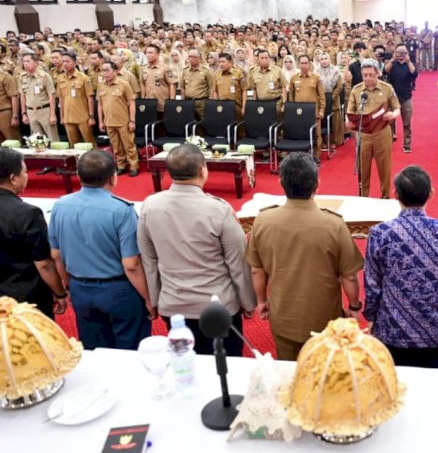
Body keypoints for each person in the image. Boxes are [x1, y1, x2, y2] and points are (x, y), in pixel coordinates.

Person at [137, 144, 256, 356]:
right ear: (203, 170)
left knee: (187, 365)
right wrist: (247, 301)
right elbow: (238, 261)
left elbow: (149, 259)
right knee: (226, 367)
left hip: (173, 304)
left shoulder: (150, 206)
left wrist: (154, 300)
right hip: (218, 306)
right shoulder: (218, 209)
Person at [245, 153, 364, 361]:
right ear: (317, 183)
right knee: (325, 372)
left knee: (289, 372)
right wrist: (354, 307)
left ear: (281, 182)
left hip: (283, 314)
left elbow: (257, 269)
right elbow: (350, 276)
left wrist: (262, 301)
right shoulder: (333, 224)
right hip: (324, 319)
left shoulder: (263, 220)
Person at [48, 150, 153, 350]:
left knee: (94, 351)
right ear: (113, 177)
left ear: (78, 176)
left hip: (80, 289)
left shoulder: (60, 206)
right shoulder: (122, 210)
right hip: (119, 290)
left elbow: (56, 255)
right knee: (130, 352)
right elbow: (131, 264)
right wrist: (148, 298)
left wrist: (69, 285)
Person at [364, 166, 438, 368]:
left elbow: (372, 284)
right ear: (431, 194)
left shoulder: (380, 233)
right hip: (435, 329)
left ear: (395, 194)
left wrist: (371, 317)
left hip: (391, 329)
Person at [0, 148, 67, 319]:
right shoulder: (28, 214)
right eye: (25, 171)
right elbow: (44, 263)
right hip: (25, 298)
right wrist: (60, 293)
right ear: (13, 178)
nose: (27, 175)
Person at [346, 58, 400, 198]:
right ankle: (364, 199)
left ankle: (385, 198)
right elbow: (349, 111)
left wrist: (392, 114)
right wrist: (347, 122)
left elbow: (397, 109)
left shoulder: (387, 88)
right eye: (365, 75)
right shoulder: (357, 90)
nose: (368, 78)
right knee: (363, 171)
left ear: (378, 73)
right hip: (363, 135)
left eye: (371, 75)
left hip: (382, 133)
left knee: (384, 169)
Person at [97, 60, 139, 176]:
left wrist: (132, 121)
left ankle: (134, 166)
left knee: (129, 145)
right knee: (116, 146)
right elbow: (100, 105)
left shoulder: (123, 84)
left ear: (115, 71)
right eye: (103, 70)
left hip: (123, 121)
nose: (104, 73)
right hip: (109, 122)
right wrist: (101, 121)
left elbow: (132, 103)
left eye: (107, 70)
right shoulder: (101, 85)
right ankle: (121, 165)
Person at [288, 54, 325, 163]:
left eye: (306, 63)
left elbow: (322, 97)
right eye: (302, 63)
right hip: (299, 113)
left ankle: (316, 154)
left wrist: (321, 110)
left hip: (313, 112)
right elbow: (291, 95)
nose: (304, 65)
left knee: (317, 134)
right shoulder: (294, 78)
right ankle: (300, 153)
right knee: (300, 132)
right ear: (298, 64)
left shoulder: (316, 78)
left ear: (309, 64)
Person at [56, 51, 95, 147]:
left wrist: (91, 117)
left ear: (75, 63)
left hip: (83, 117)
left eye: (68, 61)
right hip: (68, 117)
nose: (65, 64)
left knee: (89, 143)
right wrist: (62, 117)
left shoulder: (83, 78)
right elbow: (61, 99)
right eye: (63, 61)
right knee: (73, 144)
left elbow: (90, 98)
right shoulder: (60, 78)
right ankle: (77, 162)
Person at [384, 44, 418, 152]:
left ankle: (407, 145)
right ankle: (389, 141)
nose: (401, 55)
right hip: (392, 97)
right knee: (390, 121)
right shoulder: (392, 63)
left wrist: (408, 61)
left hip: (406, 97)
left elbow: (414, 73)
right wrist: (393, 59)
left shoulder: (409, 64)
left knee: (407, 123)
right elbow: (385, 71)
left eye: (404, 52)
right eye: (399, 52)